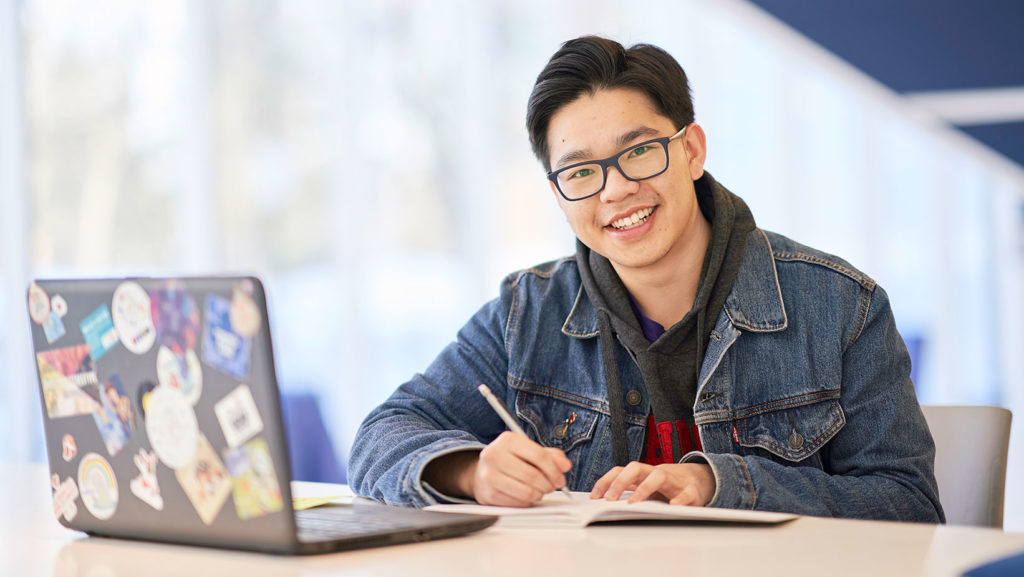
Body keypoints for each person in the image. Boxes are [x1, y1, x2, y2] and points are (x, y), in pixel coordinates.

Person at [348, 35, 944, 522]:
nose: (615, 190)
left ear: (691, 151)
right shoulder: (525, 311)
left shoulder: (841, 305)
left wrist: (721, 485)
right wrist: (467, 471)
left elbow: (910, 508)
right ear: (557, 193)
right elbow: (380, 436)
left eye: (637, 153)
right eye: (580, 171)